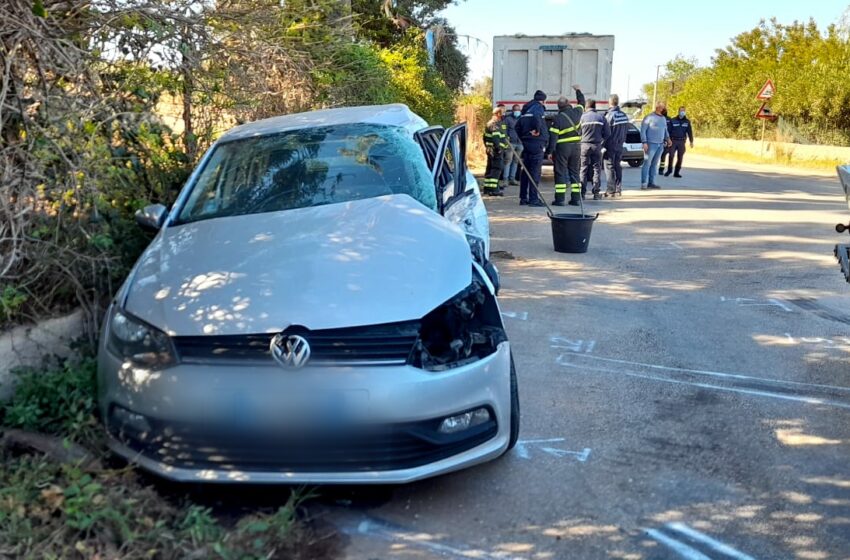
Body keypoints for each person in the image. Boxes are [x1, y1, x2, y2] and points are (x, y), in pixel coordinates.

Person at [546, 86, 585, 206]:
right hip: (577, 147)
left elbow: (553, 138)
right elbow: (582, 102)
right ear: (569, 104)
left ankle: (560, 199)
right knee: (574, 172)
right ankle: (576, 199)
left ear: (559, 107)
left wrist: (549, 152)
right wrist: (578, 90)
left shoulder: (557, 119)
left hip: (562, 148)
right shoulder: (577, 112)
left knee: (560, 172)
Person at [514, 90, 549, 207]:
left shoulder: (525, 109)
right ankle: (534, 199)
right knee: (535, 172)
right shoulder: (538, 107)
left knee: (526, 172)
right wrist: (538, 131)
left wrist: (523, 138)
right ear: (543, 100)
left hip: (527, 144)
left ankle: (523, 198)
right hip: (536, 144)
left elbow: (517, 126)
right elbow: (537, 117)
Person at [578, 98, 610, 200]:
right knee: (596, 169)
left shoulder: (582, 117)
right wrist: (601, 142)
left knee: (583, 169)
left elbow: (578, 132)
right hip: (597, 146)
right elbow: (608, 133)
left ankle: (582, 193)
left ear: (586, 107)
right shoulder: (601, 117)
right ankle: (596, 193)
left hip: (584, 146)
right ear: (594, 106)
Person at [603, 94, 629, 197]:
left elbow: (606, 132)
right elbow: (626, 129)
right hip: (620, 144)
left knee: (609, 166)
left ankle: (610, 190)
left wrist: (602, 145)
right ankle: (618, 189)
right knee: (617, 165)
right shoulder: (624, 115)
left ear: (610, 102)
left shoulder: (609, 116)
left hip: (611, 144)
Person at [640, 102, 672, 190]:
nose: (664, 109)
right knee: (647, 164)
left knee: (654, 165)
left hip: (660, 145)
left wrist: (668, 138)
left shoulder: (663, 119)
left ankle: (651, 182)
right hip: (650, 144)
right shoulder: (649, 117)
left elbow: (665, 130)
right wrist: (644, 142)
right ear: (658, 107)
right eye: (663, 107)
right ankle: (644, 183)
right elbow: (643, 130)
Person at [482, 106, 507, 196]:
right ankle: (494, 189)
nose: (504, 115)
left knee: (490, 168)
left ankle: (488, 188)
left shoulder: (492, 123)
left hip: (491, 149)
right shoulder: (494, 124)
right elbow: (496, 137)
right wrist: (498, 149)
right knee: (496, 169)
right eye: (502, 113)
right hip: (496, 150)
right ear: (498, 114)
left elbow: (484, 137)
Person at [664, 106, 694, 177]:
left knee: (680, 157)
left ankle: (676, 172)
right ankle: (669, 170)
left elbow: (690, 132)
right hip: (673, 141)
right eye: (681, 111)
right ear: (679, 111)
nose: (682, 112)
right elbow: (668, 131)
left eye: (684, 111)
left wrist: (691, 141)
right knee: (671, 156)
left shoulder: (687, 121)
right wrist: (666, 140)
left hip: (681, 141)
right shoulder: (673, 120)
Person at [502, 104, 522, 187]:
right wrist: (506, 140)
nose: (517, 111)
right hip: (511, 143)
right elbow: (503, 130)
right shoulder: (507, 119)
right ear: (512, 110)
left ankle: (512, 179)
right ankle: (505, 180)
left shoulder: (522, 119)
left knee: (516, 161)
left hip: (520, 143)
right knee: (508, 161)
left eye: (518, 110)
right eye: (515, 110)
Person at [657, 107, 671, 175]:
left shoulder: (668, 119)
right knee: (660, 156)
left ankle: (661, 169)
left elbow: (670, 130)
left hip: (664, 139)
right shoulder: (658, 119)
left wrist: (668, 140)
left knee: (663, 155)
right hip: (659, 139)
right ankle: (659, 169)